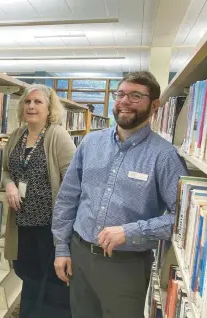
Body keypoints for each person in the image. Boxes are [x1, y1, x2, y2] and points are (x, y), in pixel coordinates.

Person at [52, 71, 189, 318]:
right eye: (121, 94)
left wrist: (131, 231)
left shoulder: (164, 156)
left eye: (136, 96)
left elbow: (182, 220)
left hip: (127, 267)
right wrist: (61, 248)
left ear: (154, 105)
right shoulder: (90, 143)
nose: (124, 101)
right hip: (80, 256)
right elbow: (67, 199)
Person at [2, 84, 76, 317]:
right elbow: (5, 170)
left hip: (50, 226)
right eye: (27, 102)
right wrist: (10, 184)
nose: (31, 106)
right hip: (22, 224)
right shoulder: (17, 136)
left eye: (38, 102)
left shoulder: (57, 135)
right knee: (29, 276)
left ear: (49, 108)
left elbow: (74, 180)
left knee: (54, 282)